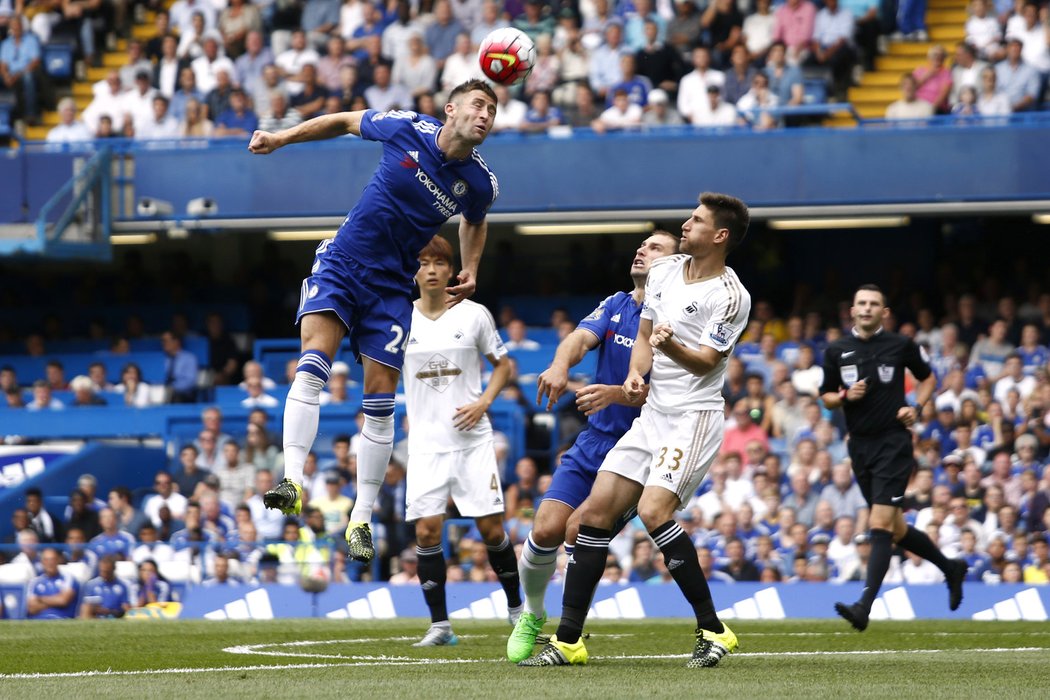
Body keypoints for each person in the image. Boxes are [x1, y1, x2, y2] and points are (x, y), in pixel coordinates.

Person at [248, 79, 499, 566]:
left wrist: (472, 268)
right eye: (478, 104)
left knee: (380, 401)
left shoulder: (481, 181)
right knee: (312, 364)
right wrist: (280, 138)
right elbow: (343, 120)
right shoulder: (406, 127)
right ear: (451, 109)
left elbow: (476, 218)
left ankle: (360, 518)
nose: (486, 114)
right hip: (342, 262)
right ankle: (292, 480)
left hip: (389, 290)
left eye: (492, 109)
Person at [519, 192, 751, 668]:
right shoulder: (665, 273)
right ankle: (568, 642)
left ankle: (714, 629)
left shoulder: (730, 296)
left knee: (653, 511)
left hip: (692, 416)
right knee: (595, 513)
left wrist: (673, 347)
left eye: (697, 220)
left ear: (720, 236)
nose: (687, 224)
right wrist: (636, 374)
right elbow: (645, 336)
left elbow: (707, 362)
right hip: (653, 413)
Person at [507, 231, 678, 661]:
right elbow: (579, 340)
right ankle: (533, 614)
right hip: (594, 440)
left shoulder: (675, 318)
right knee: (544, 527)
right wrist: (560, 366)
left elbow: (672, 391)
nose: (642, 249)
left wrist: (617, 394)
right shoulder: (616, 303)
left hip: (637, 448)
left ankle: (570, 633)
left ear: (674, 266)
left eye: (655, 248)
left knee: (576, 529)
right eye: (641, 244)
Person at [819, 284, 967, 632]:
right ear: (851, 311)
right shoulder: (837, 350)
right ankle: (950, 568)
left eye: (874, 304)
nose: (867, 309)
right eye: (862, 303)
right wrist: (843, 396)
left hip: (894, 444)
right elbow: (825, 396)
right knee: (896, 528)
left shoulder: (900, 345)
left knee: (880, 525)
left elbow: (929, 378)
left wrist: (916, 406)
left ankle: (864, 605)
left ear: (884, 312)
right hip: (860, 447)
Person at [400, 234, 521, 646]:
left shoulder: (474, 315)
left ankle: (517, 610)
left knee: (490, 529)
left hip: (472, 441)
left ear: (453, 270)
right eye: (423, 262)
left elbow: (504, 366)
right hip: (425, 446)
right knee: (428, 532)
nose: (431, 270)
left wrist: (484, 401)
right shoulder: (399, 320)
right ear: (413, 270)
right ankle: (440, 626)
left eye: (439, 263)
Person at [26, 548, 80, 620]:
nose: (50, 563)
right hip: (39, 620)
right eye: (46, 560)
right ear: (42, 562)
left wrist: (40, 599)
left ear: (58, 560)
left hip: (61, 619)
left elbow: (63, 600)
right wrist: (54, 601)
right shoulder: (34, 582)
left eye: (53, 559)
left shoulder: (68, 578)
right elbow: (31, 608)